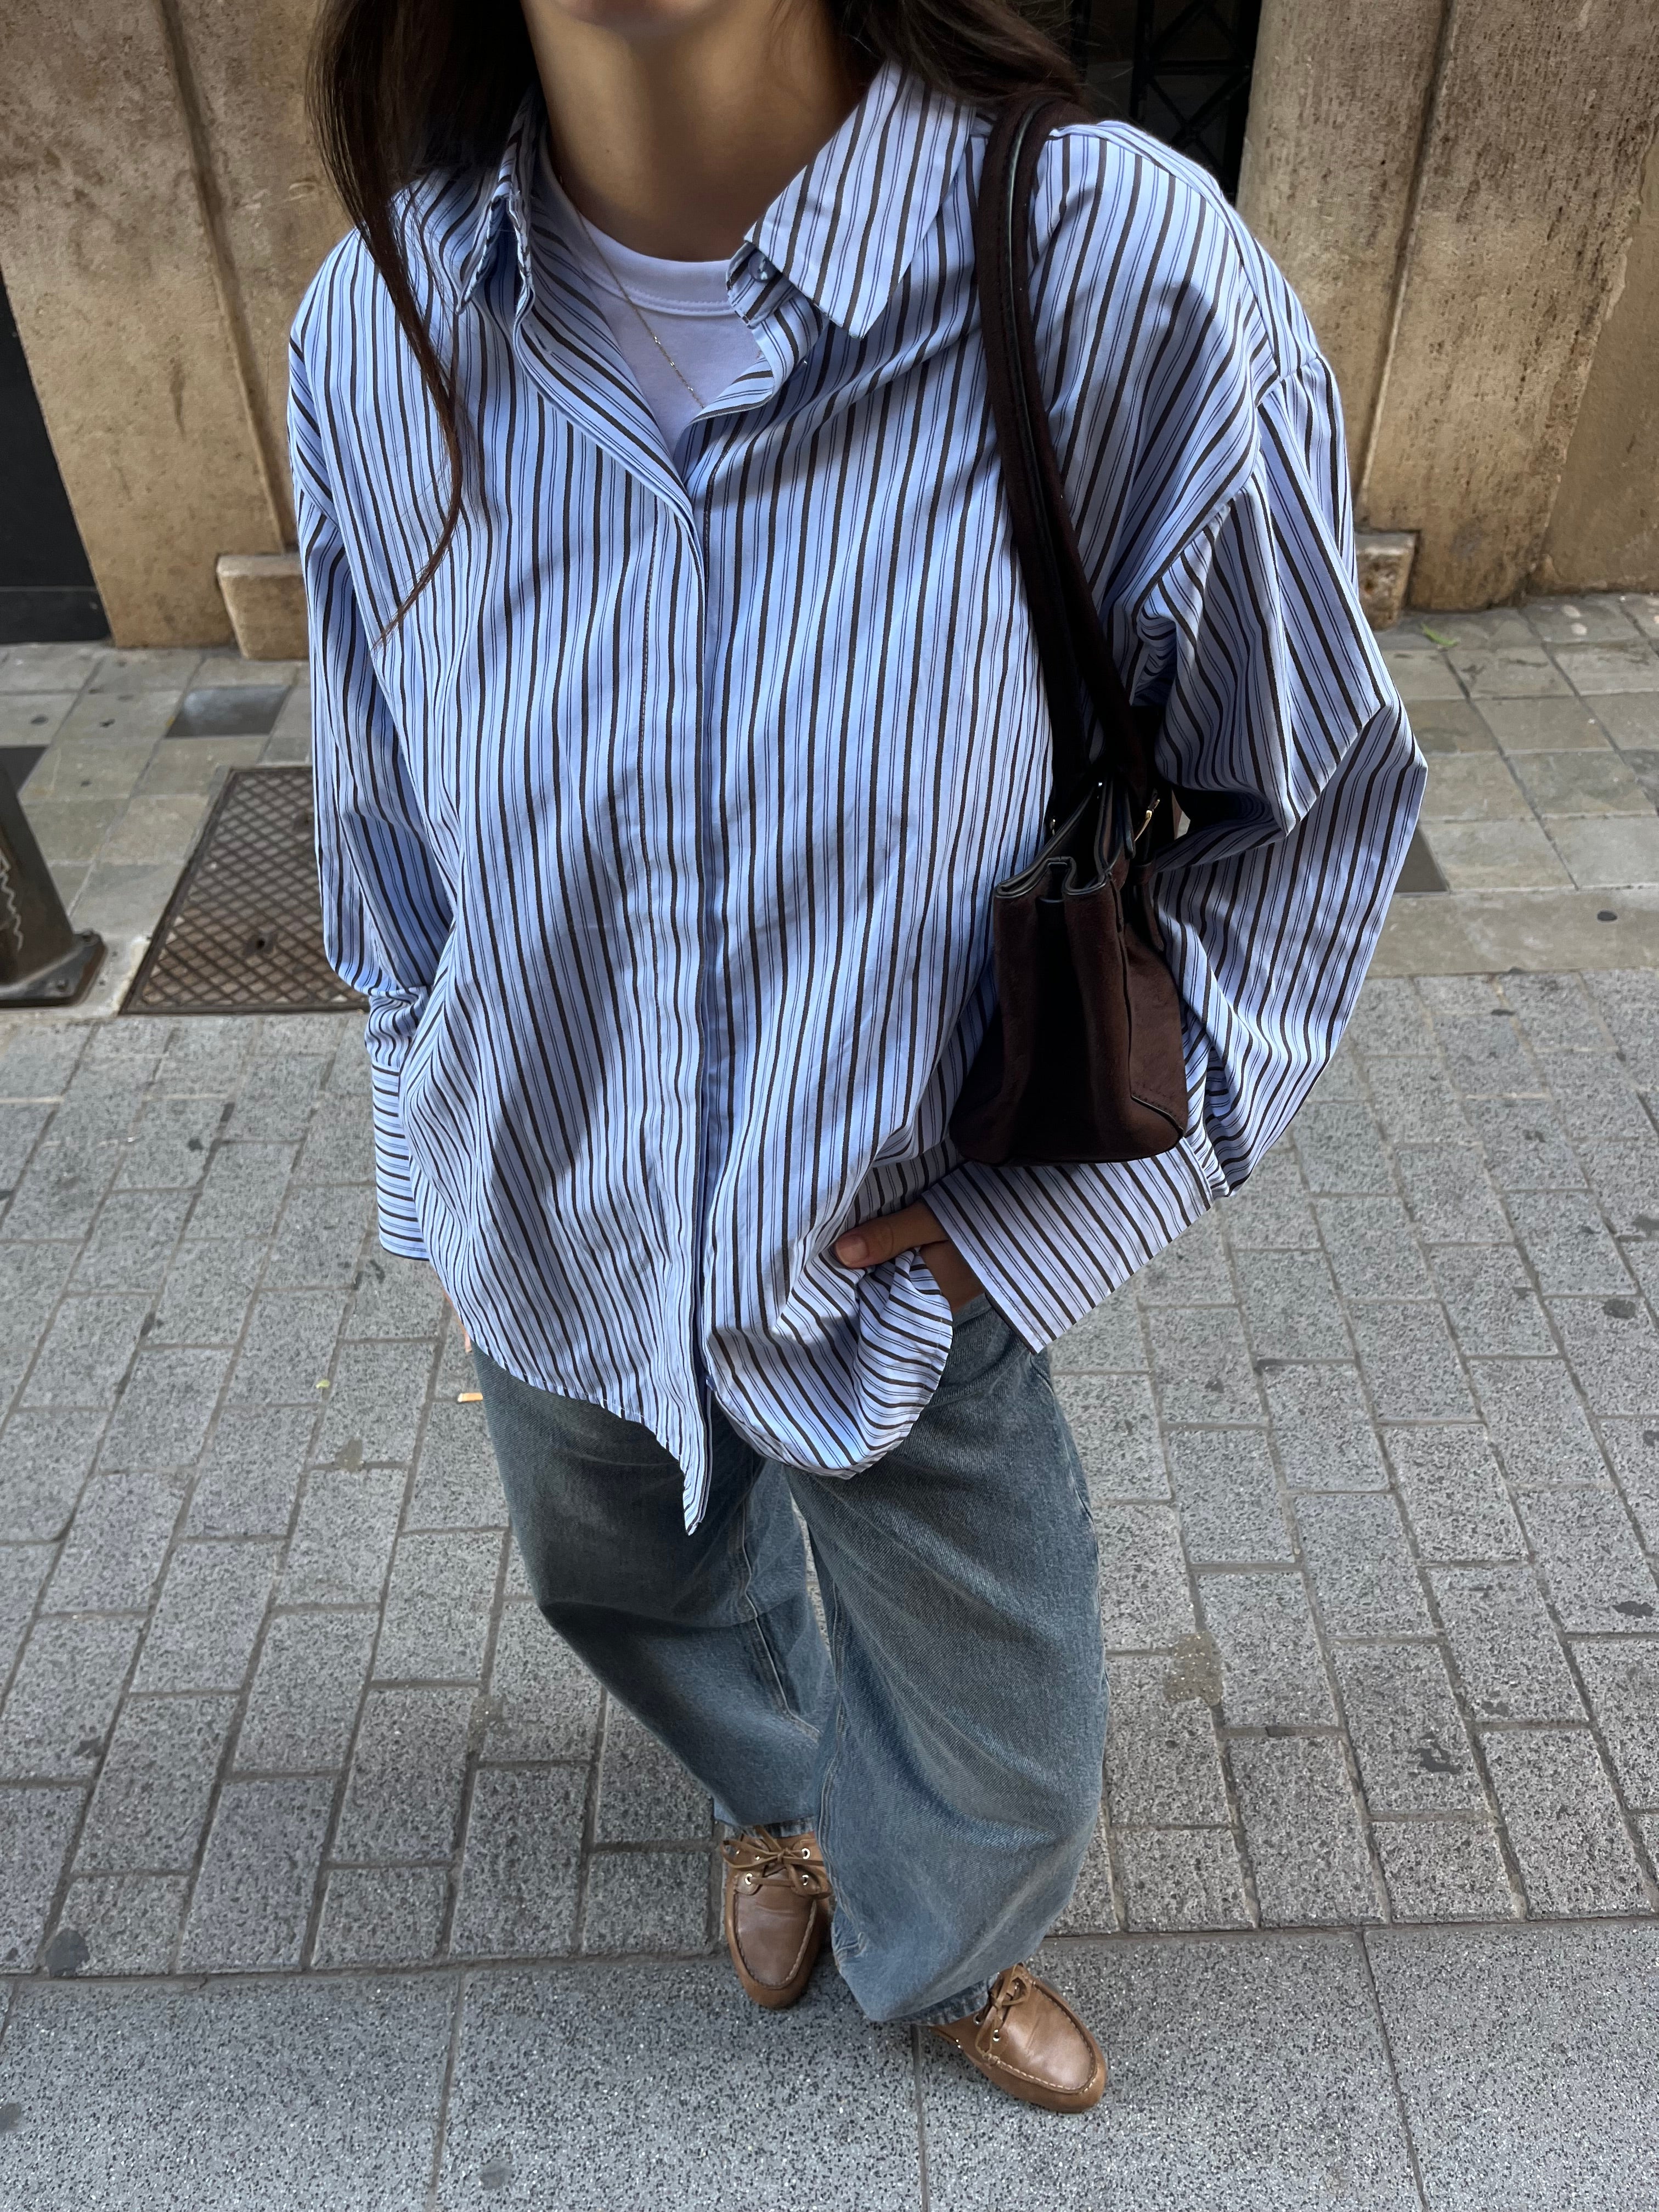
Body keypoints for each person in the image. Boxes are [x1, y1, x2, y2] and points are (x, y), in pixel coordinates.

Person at [292, 0, 1423, 2112]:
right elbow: (385, 832)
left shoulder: (1110, 272)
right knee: (620, 1577)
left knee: (1003, 1708)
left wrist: (1045, 1227)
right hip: (553, 1218)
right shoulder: (380, 319)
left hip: (906, 1242)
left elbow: (1315, 817)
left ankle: (949, 1946)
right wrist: (439, 1164)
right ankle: (783, 1801)